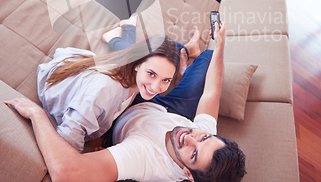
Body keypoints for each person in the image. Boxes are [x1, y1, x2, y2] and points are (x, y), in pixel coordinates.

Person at [5, 22, 246, 182]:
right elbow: (212, 93)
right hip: (167, 109)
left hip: (131, 108)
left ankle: (164, 63)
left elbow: (65, 173)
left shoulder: (144, 158)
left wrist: (36, 115)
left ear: (187, 175)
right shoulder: (201, 138)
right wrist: (221, 42)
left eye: (193, 154)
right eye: (204, 137)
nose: (190, 137)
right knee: (206, 56)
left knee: (154, 62)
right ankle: (187, 56)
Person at [36, 22, 199, 152]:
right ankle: (121, 34)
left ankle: (125, 33)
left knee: (169, 48)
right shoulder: (105, 92)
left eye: (166, 80)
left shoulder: (134, 78)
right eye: (151, 74)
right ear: (137, 65)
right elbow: (69, 135)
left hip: (95, 74)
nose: (156, 87)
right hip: (59, 86)